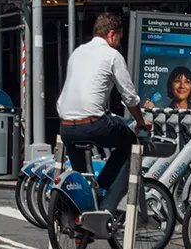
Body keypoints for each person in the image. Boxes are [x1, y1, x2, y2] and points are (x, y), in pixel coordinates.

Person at [57, 13, 145, 211]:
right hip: (93, 125)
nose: (119, 43)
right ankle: (104, 189)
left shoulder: (78, 53)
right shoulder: (112, 56)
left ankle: (81, 214)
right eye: (119, 38)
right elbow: (129, 96)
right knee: (130, 143)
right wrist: (140, 121)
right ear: (111, 34)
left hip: (66, 127)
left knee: (81, 180)